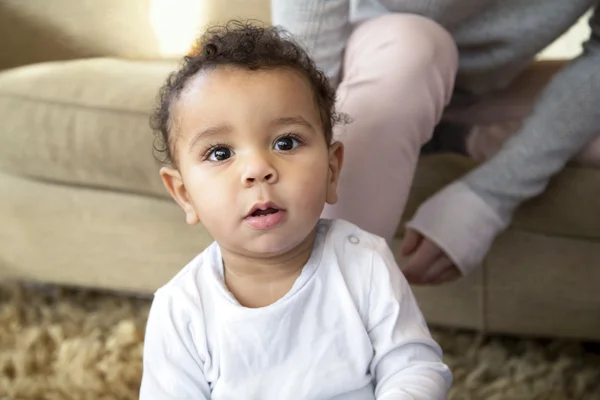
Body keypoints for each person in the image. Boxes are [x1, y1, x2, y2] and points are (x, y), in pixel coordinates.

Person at [139, 22, 452, 399]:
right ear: (184, 194)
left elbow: (414, 366)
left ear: (332, 170)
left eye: (285, 142)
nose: (258, 169)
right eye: (220, 153)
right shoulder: (181, 310)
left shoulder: (363, 262)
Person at [271, 0, 600, 285]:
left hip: (476, 92)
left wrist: (487, 198)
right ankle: (321, 315)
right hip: (367, 64)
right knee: (415, 47)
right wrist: (300, 129)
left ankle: (454, 137)